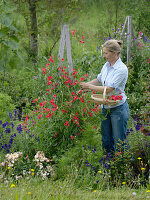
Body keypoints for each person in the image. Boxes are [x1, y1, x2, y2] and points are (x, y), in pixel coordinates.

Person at [80, 39, 130, 154]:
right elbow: (99, 79)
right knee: (106, 139)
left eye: (106, 53)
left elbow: (108, 89)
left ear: (114, 53)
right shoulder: (107, 65)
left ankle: (122, 166)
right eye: (104, 53)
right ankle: (109, 163)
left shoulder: (121, 69)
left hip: (118, 108)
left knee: (119, 141)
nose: (104, 56)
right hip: (106, 106)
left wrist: (89, 87)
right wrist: (85, 86)